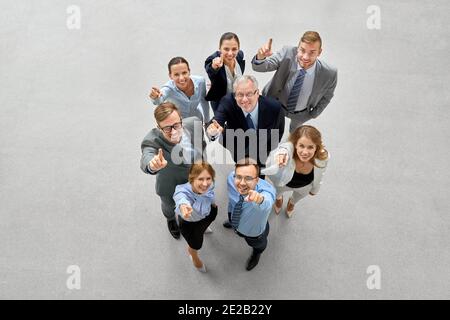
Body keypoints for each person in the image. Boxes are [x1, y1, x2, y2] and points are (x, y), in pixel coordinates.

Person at [140, 102, 206, 239]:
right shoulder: (152, 140)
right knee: (169, 207)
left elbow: (202, 144)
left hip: (196, 179)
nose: (174, 131)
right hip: (171, 185)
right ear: (159, 128)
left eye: (176, 125)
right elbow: (147, 156)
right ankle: (171, 220)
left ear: (181, 119)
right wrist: (152, 165)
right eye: (168, 128)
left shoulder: (194, 123)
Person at [252, 31, 337, 132]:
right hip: (276, 103)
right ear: (297, 48)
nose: (305, 57)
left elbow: (327, 96)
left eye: (312, 52)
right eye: (302, 50)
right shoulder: (287, 53)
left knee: (295, 134)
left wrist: (314, 114)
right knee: (269, 129)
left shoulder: (329, 73)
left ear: (319, 52)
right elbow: (261, 67)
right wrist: (261, 57)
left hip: (301, 113)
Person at [205, 75, 285, 167]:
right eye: (240, 94)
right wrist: (213, 131)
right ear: (234, 95)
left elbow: (278, 132)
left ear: (257, 93)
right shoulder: (228, 102)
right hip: (237, 147)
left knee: (258, 173)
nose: (244, 99)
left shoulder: (274, 108)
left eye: (249, 94)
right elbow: (217, 121)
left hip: (262, 150)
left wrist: (268, 149)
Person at [262, 125, 329, 218]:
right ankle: (278, 199)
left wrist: (315, 189)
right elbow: (284, 149)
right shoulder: (288, 150)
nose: (305, 152)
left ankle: (292, 203)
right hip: (284, 183)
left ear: (316, 147)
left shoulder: (323, 158)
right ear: (295, 144)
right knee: (277, 193)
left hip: (305, 187)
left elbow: (321, 174)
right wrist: (281, 154)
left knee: (297, 198)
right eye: (301, 146)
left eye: (310, 147)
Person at [225, 158, 275, 271]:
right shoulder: (231, 178)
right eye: (239, 177)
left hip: (253, 233)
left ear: (257, 180)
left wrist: (259, 200)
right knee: (233, 218)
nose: (242, 183)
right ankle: (233, 223)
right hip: (234, 214)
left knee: (259, 245)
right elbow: (232, 200)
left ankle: (256, 254)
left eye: (248, 178)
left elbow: (267, 202)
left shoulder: (266, 191)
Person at [173, 162, 217, 273]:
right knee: (195, 244)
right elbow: (180, 197)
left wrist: (213, 204)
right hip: (190, 224)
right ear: (192, 179)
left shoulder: (210, 185)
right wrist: (183, 205)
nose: (205, 183)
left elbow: (210, 192)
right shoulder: (182, 190)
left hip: (207, 214)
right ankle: (194, 257)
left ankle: (204, 228)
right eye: (200, 179)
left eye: (208, 178)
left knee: (208, 221)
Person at [149, 57, 211, 122]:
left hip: (197, 121)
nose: (181, 78)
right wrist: (155, 97)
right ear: (170, 76)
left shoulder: (200, 81)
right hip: (179, 124)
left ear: (189, 72)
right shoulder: (168, 88)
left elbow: (204, 102)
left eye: (184, 73)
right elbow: (159, 100)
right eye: (176, 74)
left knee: (198, 132)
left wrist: (207, 122)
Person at [204, 32, 245, 113]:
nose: (230, 53)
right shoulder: (215, 59)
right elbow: (210, 69)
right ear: (220, 48)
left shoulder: (239, 56)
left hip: (238, 103)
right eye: (226, 49)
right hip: (221, 105)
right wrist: (214, 66)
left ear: (238, 48)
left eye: (234, 49)